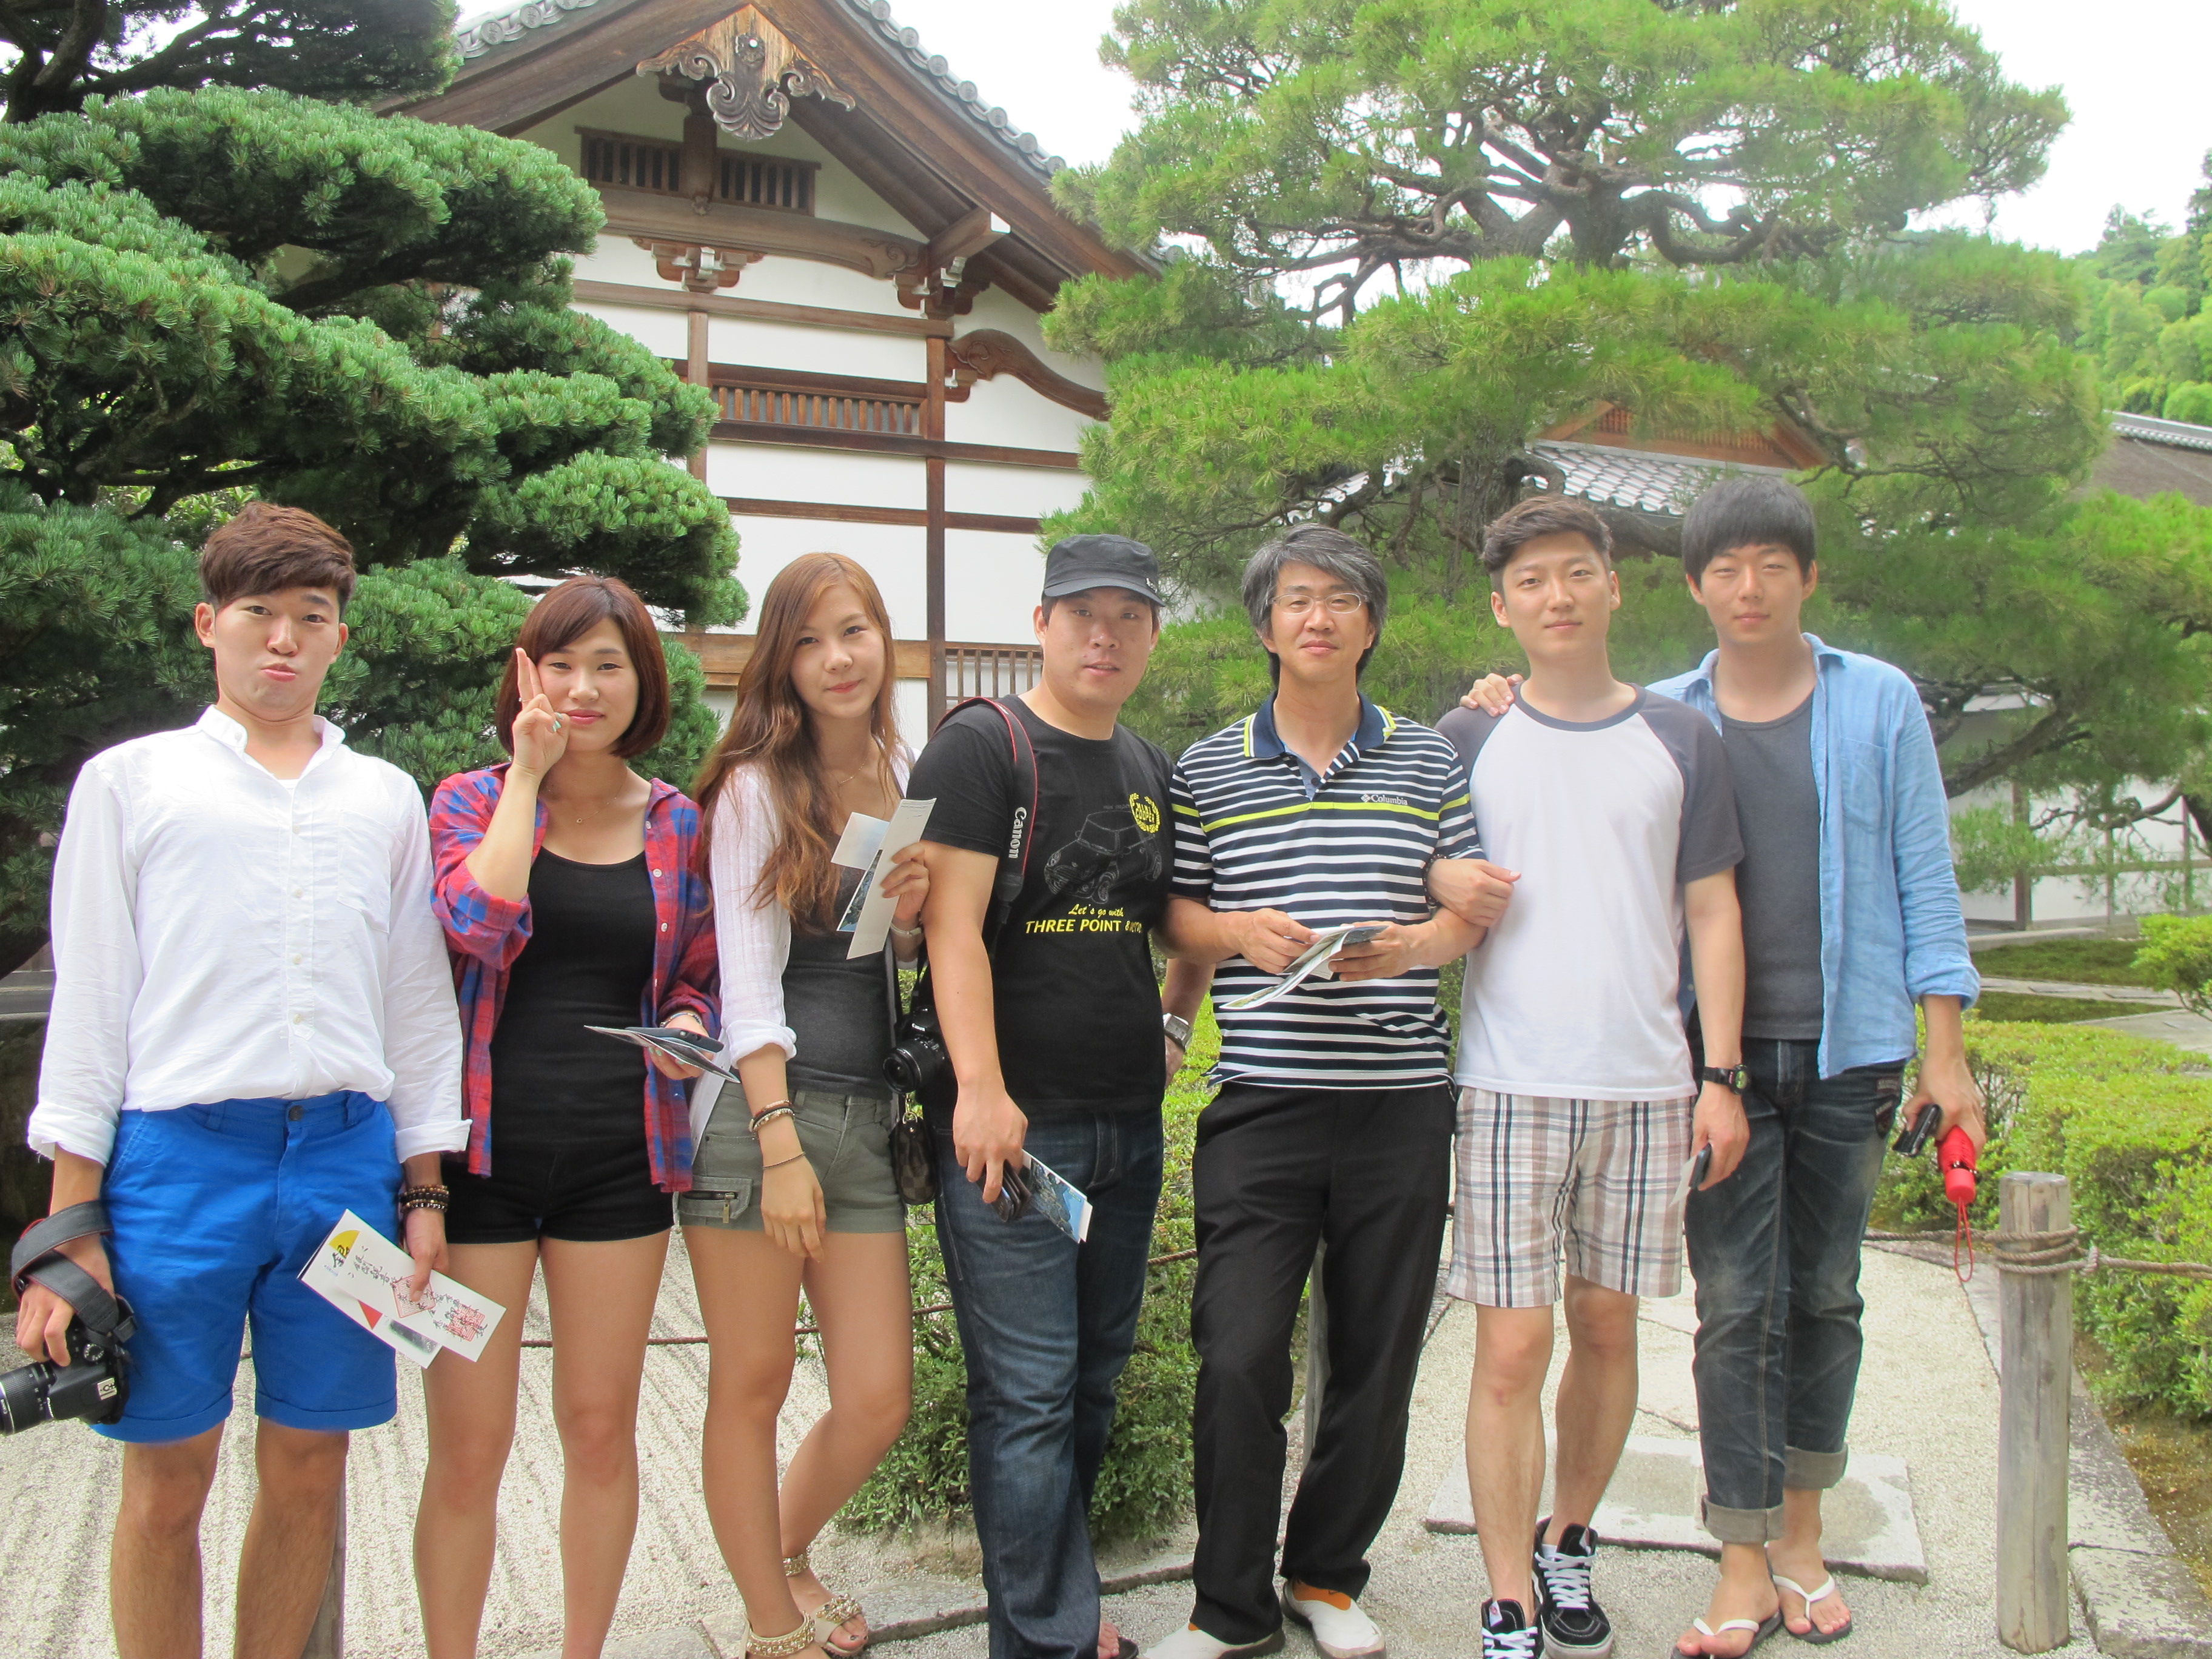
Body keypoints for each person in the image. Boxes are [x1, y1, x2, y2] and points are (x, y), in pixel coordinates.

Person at [1458, 480, 1989, 1653]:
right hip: (1692, 1060)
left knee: (1827, 1298)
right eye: (1726, 570)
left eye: (1773, 566)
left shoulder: (1872, 702)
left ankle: (1800, 1536)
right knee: (1735, 1306)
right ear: (1693, 586)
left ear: (1808, 576)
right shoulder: (1662, 714)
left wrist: (1944, 1052)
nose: (1750, 589)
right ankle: (1741, 1556)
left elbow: (1924, 877)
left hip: (1845, 1049)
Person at [17, 503, 467, 1659]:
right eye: (257, 612)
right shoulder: (130, 782)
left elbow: (417, 1006)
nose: (282, 639)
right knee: (168, 1476)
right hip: (180, 1164)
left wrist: (423, 1190)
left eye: (310, 617)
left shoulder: (385, 797)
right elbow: (93, 1004)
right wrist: (71, 1227)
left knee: (313, 1464)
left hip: (345, 1158)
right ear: (207, 623)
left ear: (339, 639)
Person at [1150, 526, 1489, 1659]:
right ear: (1265, 625)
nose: (1319, 618)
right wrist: (1236, 932)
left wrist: (1410, 948)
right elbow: (1177, 916)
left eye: (1342, 599)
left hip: (1401, 1100)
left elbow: (1465, 911)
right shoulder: (1207, 766)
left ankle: (1328, 1578)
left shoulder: (1429, 760)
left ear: (1371, 624)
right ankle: (1228, 1606)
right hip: (1264, 1100)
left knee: (1377, 1357)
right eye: (1297, 599)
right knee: (1239, 1349)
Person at [1433, 495, 1748, 1659]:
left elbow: (1712, 910)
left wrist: (1722, 1074)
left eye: (1576, 573)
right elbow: (1416, 868)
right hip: (1508, 1079)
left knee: (1609, 1327)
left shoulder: (1682, 737)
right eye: (1531, 581)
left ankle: (1569, 1538)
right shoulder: (1467, 738)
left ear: (1615, 586)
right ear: (1500, 607)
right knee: (1513, 1346)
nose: (1556, 596)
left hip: (1649, 1083)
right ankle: (1507, 1593)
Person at [415, 574, 720, 1659]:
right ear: (525, 676)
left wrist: (685, 1024)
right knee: (470, 1447)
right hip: (480, 1166)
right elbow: (478, 923)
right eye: (561, 665)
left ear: (644, 683)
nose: (584, 688)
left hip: (619, 1161)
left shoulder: (677, 820)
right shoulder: (467, 799)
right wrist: (529, 778)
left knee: (598, 1429)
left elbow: (698, 974)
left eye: (608, 666)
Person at [905, 534, 1179, 1659]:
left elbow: (1168, 921)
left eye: (1128, 616)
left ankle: (1060, 1608)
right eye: (1081, 614)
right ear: (1042, 625)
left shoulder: (1148, 766)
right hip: (1019, 1128)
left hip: (1128, 1123)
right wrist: (981, 1089)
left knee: (1092, 1384)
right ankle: (1047, 1639)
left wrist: (1175, 1025)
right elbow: (950, 929)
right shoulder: (982, 747)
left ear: (1152, 634)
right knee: (1027, 1392)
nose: (1103, 635)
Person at [683, 553, 929, 1659]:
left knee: (878, 1395)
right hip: (762, 1124)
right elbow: (749, 985)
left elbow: (879, 953)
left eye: (855, 631)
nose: (838, 659)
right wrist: (778, 1145)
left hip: (868, 1119)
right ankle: (769, 1616)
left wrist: (911, 918)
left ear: (885, 641)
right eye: (810, 640)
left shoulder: (902, 771)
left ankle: (774, 1549)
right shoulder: (754, 788)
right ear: (781, 662)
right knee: (753, 1381)